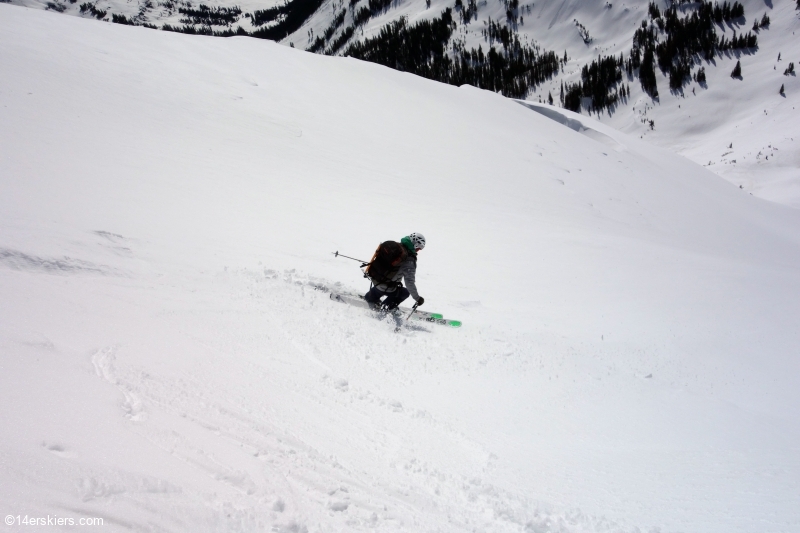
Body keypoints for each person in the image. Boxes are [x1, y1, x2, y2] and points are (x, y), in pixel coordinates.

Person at [364, 233, 426, 311]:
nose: (419, 250)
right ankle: (386, 308)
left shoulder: (397, 248)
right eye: (419, 247)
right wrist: (417, 298)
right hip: (387, 287)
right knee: (405, 293)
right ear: (415, 244)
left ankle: (370, 297)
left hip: (376, 279)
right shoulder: (409, 260)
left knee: (383, 284)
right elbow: (409, 282)